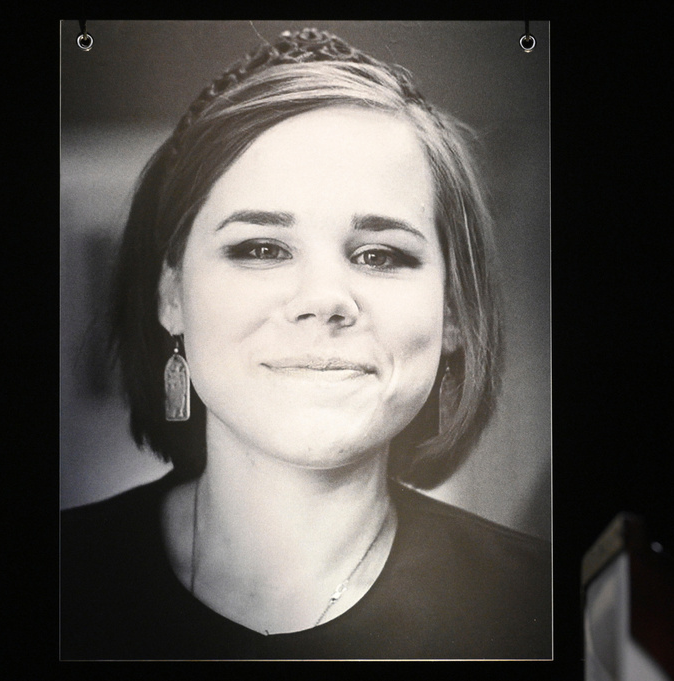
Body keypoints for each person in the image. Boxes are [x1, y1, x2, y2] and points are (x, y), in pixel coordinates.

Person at [60, 27, 551, 660]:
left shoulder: (549, 609)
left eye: (379, 254)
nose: (324, 299)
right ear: (172, 296)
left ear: (454, 309)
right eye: (261, 248)